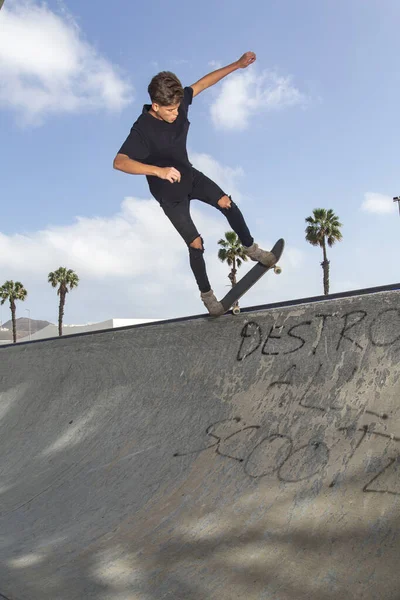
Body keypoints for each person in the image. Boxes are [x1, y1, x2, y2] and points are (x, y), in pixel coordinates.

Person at [113, 51, 277, 316]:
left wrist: (237, 65)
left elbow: (204, 83)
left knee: (227, 202)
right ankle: (208, 295)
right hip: (169, 195)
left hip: (189, 176)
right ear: (155, 105)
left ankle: (251, 249)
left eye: (178, 107)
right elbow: (119, 162)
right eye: (170, 110)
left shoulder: (179, 103)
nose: (176, 113)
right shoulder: (142, 129)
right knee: (196, 243)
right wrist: (158, 171)